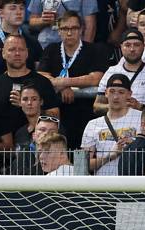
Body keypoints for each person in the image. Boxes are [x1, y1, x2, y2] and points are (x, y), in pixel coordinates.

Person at [37, 11, 107, 147]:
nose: (69, 33)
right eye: (64, 29)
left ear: (81, 29)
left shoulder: (94, 50)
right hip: (58, 114)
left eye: (74, 28)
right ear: (58, 30)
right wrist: (62, 86)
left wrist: (64, 82)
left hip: (86, 114)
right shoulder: (51, 49)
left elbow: (96, 78)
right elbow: (41, 75)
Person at [0, 34, 61, 132]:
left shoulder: (42, 82)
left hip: (33, 141)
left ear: (27, 53)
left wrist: (28, 106)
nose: (17, 53)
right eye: (12, 49)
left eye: (21, 49)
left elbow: (55, 116)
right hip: (3, 144)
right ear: (3, 54)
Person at [95, 28, 145, 115]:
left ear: (143, 46)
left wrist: (140, 107)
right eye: (127, 45)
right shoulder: (111, 71)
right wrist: (115, 106)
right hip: (116, 124)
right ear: (121, 47)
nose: (132, 49)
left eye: (136, 45)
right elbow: (96, 106)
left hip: (144, 125)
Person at [82, 72, 140, 175]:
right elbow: (84, 164)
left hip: (133, 184)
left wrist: (134, 146)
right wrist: (110, 156)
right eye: (112, 91)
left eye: (121, 92)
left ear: (129, 94)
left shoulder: (140, 118)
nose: (116, 97)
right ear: (106, 93)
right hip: (104, 186)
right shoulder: (93, 125)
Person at [0, 0, 43, 77]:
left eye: (21, 8)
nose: (19, 12)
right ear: (1, 12)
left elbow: (39, 75)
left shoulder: (33, 43)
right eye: (13, 8)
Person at [27, 0, 97, 48]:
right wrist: (43, 20)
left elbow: (91, 25)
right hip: (44, 45)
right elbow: (32, 22)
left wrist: (85, 51)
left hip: (73, 46)